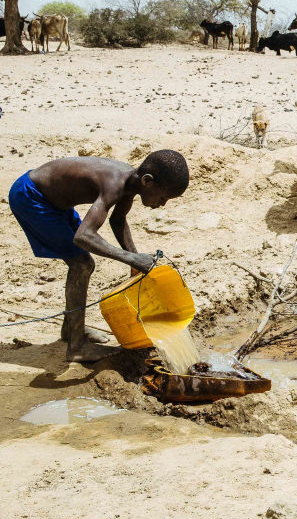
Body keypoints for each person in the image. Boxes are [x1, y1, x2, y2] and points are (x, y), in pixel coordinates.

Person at [7, 150, 189, 362]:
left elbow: (118, 220)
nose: (162, 204)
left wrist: (134, 258)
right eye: (163, 197)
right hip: (31, 197)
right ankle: (77, 347)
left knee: (84, 263)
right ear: (148, 182)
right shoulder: (114, 184)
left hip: (54, 201)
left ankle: (70, 330)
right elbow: (83, 236)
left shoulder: (131, 182)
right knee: (82, 263)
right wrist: (131, 258)